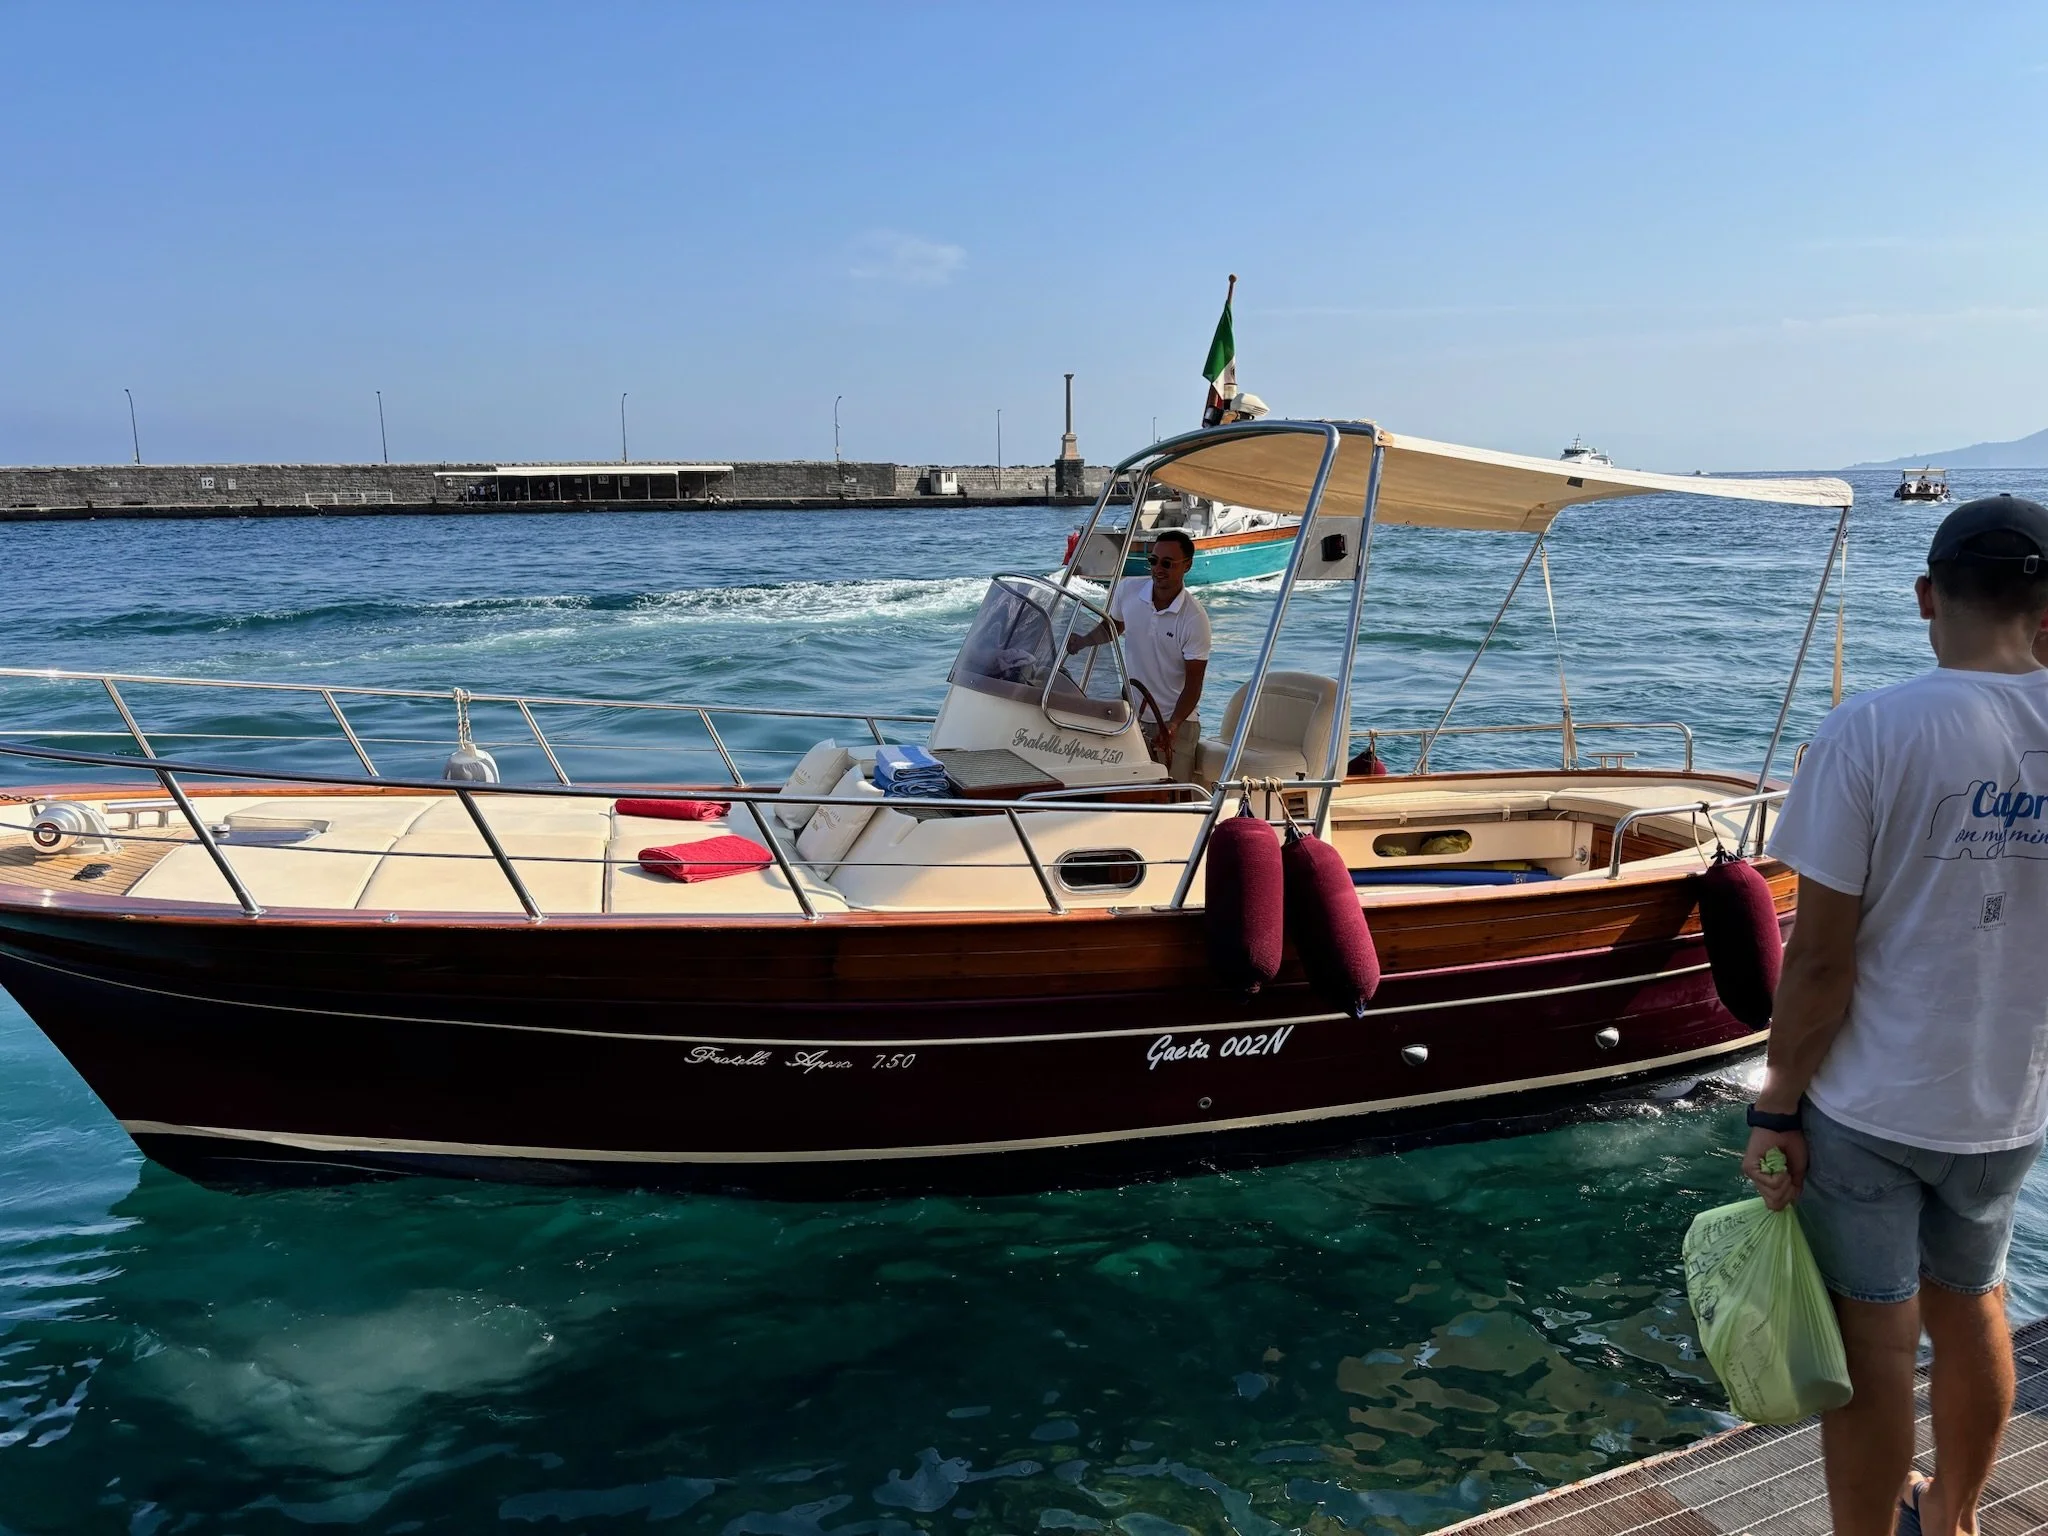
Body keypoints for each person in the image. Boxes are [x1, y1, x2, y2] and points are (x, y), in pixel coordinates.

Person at [1744, 493, 2048, 1536]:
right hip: (2004, 1105)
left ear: (1925, 596)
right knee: (1973, 1305)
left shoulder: (1868, 729)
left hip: (1869, 1104)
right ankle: (1953, 1518)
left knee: (1873, 1345)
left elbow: (1819, 958)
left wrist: (1774, 1102)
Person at [1067, 529, 1211, 780]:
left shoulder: (1194, 619)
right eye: (1153, 561)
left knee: (1172, 793)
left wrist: (1173, 725)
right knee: (1130, 790)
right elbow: (1113, 628)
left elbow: (1194, 685)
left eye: (1167, 563)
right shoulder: (1128, 590)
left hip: (1177, 722)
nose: (1158, 569)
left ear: (1187, 565)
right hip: (1133, 716)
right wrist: (1082, 642)